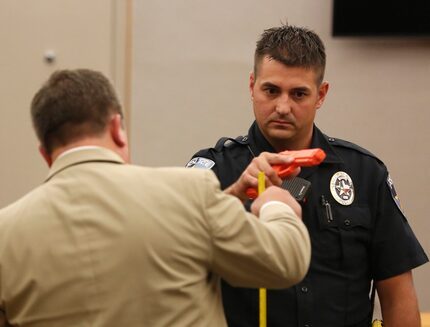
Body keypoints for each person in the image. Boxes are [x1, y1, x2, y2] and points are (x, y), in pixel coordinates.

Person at [0, 69, 312, 327]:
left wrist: (230, 197)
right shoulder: (188, 190)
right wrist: (275, 204)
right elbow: (284, 262)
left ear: (44, 153)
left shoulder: (6, 232)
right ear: (117, 128)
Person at [187, 24, 428, 327]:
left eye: (299, 93)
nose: (283, 107)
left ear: (321, 94)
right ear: (252, 86)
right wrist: (236, 194)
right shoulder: (214, 170)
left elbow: (397, 294)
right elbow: (178, 255)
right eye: (271, 90)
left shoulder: (364, 173)